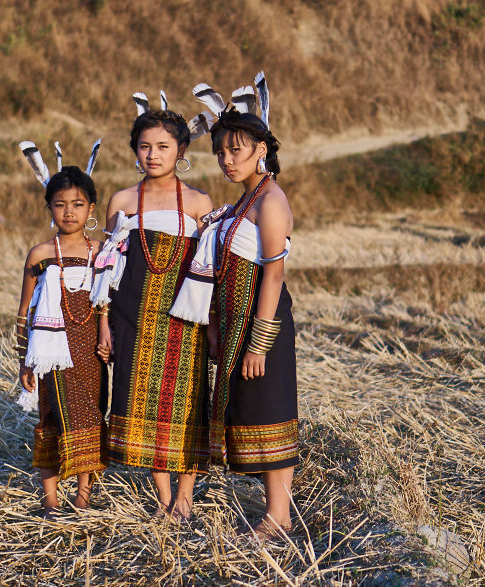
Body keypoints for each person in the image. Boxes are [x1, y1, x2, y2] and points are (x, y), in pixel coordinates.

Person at [172, 73, 298, 540]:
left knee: (269, 407)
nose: (227, 160)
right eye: (221, 152)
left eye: (237, 150)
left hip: (262, 324)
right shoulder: (242, 202)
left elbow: (273, 274)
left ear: (260, 150)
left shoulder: (271, 202)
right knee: (250, 408)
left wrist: (258, 345)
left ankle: (277, 517)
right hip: (231, 323)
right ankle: (275, 515)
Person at [91, 93, 213, 520]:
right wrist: (104, 323)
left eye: (163, 147)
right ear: (135, 152)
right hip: (132, 317)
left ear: (181, 151)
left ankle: (186, 497)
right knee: (141, 401)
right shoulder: (122, 202)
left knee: (186, 401)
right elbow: (105, 268)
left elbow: (208, 269)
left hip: (185, 319)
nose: (153, 155)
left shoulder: (200, 204)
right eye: (145, 147)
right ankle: (164, 499)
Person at [16, 141, 107, 519]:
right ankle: (51, 500)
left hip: (89, 351)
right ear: (49, 207)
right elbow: (24, 313)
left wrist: (106, 337)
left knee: (90, 415)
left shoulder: (102, 251)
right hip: (50, 353)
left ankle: (83, 497)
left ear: (90, 208)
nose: (69, 212)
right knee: (50, 418)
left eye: (77, 204)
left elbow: (105, 304)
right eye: (60, 204)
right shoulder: (40, 254)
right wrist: (24, 360)